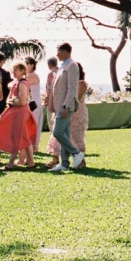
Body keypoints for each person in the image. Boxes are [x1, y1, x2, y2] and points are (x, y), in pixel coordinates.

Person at [0, 62, 38, 170]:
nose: (13, 72)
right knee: (24, 138)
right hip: (17, 112)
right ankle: (31, 163)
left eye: (16, 70)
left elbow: (22, 101)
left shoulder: (22, 83)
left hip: (20, 112)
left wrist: (11, 102)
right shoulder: (17, 82)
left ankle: (11, 164)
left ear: (22, 71)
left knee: (17, 138)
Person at [46, 44, 83, 172]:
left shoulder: (72, 65)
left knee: (57, 132)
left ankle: (76, 153)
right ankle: (64, 163)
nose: (57, 54)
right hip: (59, 105)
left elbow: (72, 88)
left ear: (65, 51)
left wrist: (66, 105)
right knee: (64, 133)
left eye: (59, 52)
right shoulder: (63, 66)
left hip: (65, 106)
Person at [70, 62, 89, 155]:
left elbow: (77, 98)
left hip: (78, 111)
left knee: (78, 136)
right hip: (71, 111)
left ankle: (80, 157)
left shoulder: (81, 83)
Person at [25, 57, 43, 153]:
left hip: (34, 103)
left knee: (33, 124)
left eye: (27, 63)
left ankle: (33, 145)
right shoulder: (28, 76)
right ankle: (31, 145)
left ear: (32, 65)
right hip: (31, 102)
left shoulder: (32, 76)